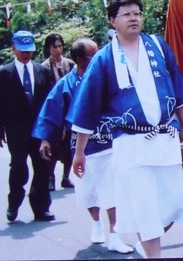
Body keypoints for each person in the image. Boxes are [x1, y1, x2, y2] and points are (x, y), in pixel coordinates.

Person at [68, 0, 183, 259]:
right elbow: (87, 107)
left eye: (137, 13)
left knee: (173, 206)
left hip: (165, 139)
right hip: (130, 143)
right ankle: (153, 254)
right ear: (113, 21)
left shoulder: (158, 47)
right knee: (145, 208)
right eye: (126, 14)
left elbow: (179, 92)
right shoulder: (103, 59)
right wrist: (79, 152)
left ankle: (145, 247)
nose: (134, 18)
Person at [33, 38, 133, 254]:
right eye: (93, 55)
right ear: (80, 60)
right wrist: (45, 139)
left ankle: (115, 235)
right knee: (87, 191)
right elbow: (51, 111)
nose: (98, 57)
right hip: (80, 146)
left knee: (111, 190)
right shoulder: (66, 84)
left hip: (106, 141)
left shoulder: (107, 78)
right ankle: (96, 223)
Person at [0, 30, 55, 223]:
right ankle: (14, 204)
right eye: (22, 50)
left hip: (39, 131)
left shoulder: (43, 71)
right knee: (19, 168)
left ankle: (41, 208)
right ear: (13, 49)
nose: (26, 55)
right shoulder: (3, 74)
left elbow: (50, 102)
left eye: (29, 51)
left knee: (42, 169)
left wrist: (53, 128)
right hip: (16, 131)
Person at [42, 33, 76, 190]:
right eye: (55, 46)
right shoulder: (44, 67)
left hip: (70, 109)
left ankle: (66, 176)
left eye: (60, 46)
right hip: (54, 110)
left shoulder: (70, 65)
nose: (58, 49)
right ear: (49, 48)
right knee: (53, 147)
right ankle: (49, 177)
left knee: (69, 146)